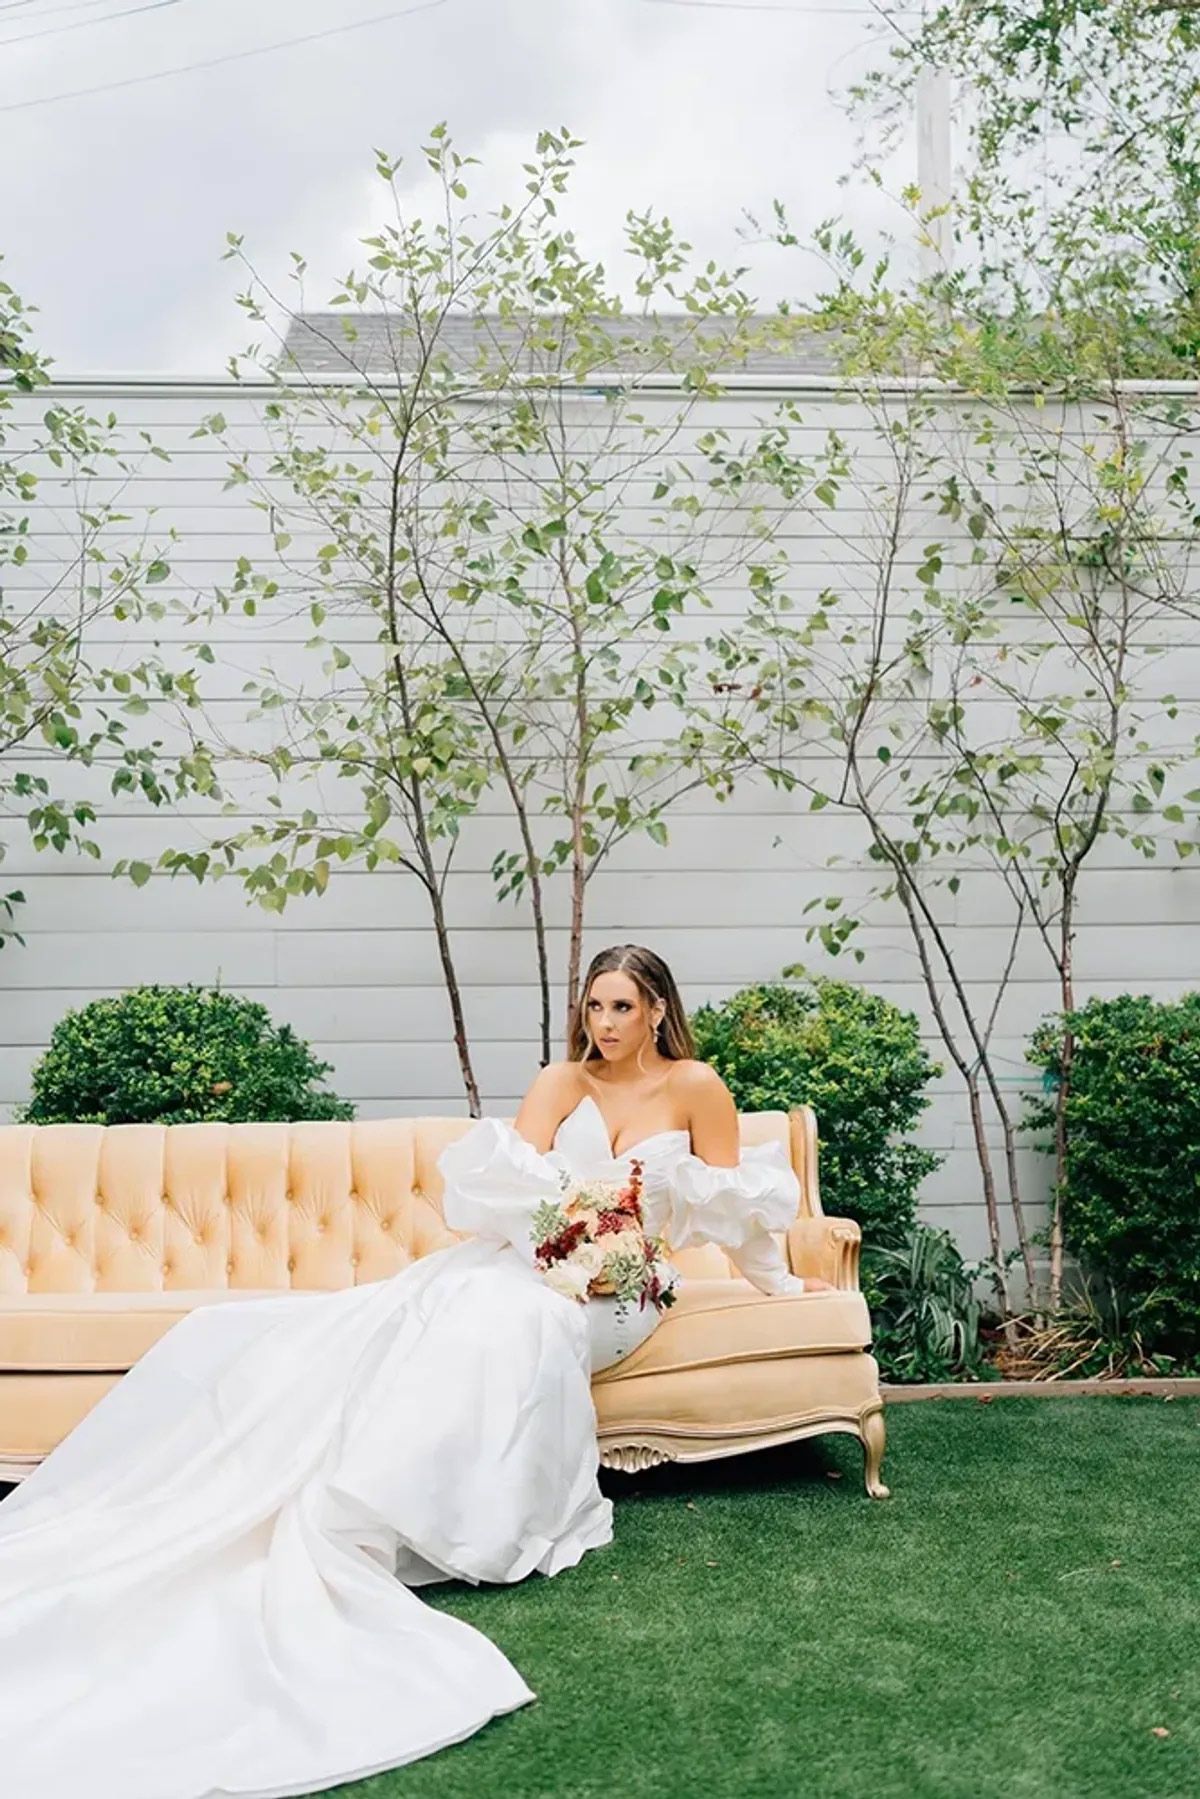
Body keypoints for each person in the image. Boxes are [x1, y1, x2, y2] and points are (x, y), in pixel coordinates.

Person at [0, 943, 828, 1798]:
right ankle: (364, 1497)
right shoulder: (559, 1082)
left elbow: (735, 1207)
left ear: (658, 1008)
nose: (605, 1025)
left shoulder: (697, 1086)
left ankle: (434, 1502)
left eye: (622, 1008)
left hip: (626, 1285)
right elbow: (509, 1192)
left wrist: (779, 1280)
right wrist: (556, 1229)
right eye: (594, 1007)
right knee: (453, 1311)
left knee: (523, 1320)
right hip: (529, 1259)